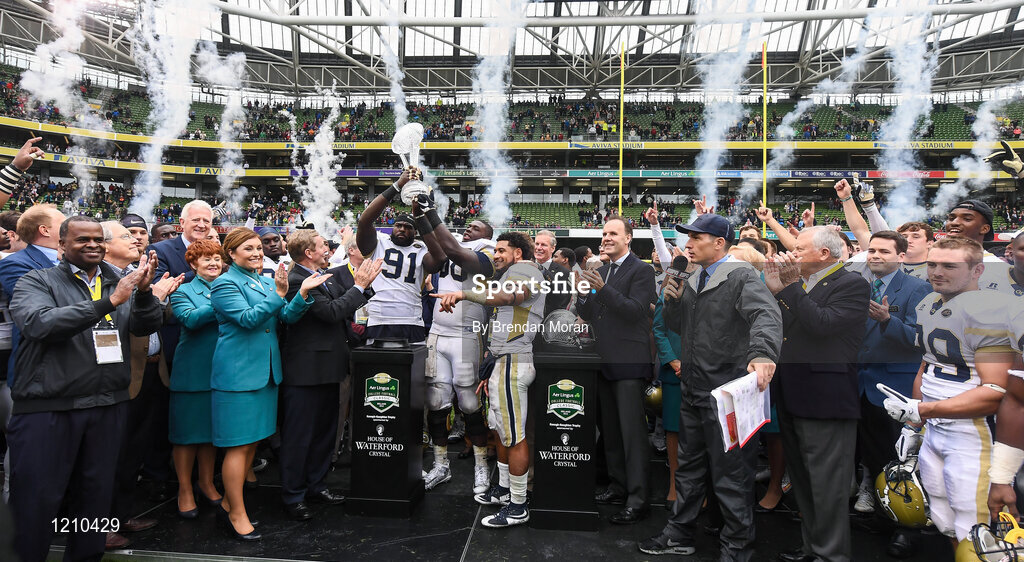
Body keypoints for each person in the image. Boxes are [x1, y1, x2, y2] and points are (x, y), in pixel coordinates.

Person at [7, 216, 163, 562]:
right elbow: (38, 324)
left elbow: (144, 326)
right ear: (62, 245)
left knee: (93, 499)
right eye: (82, 240)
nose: (92, 245)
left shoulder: (118, 281)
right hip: (50, 409)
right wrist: (108, 303)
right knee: (38, 499)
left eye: (97, 239)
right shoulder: (36, 280)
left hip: (107, 406)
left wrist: (145, 293)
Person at [640, 214, 782, 560]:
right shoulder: (692, 275)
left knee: (732, 476)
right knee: (688, 470)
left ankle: (736, 548)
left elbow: (766, 314)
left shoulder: (741, 275)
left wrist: (763, 353)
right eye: (688, 237)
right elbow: (677, 325)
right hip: (693, 387)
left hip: (726, 393)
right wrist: (671, 301)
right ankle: (680, 533)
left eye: (696, 237)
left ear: (719, 243)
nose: (688, 243)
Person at [879, 237, 1018, 547]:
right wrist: (915, 423)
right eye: (932, 264)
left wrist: (924, 411)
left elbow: (994, 390)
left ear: (977, 270)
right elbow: (925, 366)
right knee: (944, 518)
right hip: (935, 430)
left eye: (949, 266)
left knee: (977, 527)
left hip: (972, 435)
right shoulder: (929, 303)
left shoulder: (990, 311)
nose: (937, 272)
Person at [209, 227, 329, 541]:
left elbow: (285, 319)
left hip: (267, 374)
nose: (257, 253)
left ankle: (227, 503)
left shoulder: (263, 280)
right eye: (248, 249)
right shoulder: (223, 284)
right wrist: (278, 294)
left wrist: (301, 295)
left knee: (251, 445)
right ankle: (236, 512)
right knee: (238, 446)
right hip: (238, 377)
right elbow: (249, 319)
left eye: (259, 248)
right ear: (231, 254)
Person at [765, 226, 871, 562]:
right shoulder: (802, 285)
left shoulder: (852, 283)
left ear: (824, 254)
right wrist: (778, 290)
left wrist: (789, 287)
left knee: (827, 488)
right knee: (806, 485)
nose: (792, 254)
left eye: (798, 249)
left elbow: (822, 324)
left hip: (826, 400)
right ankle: (814, 548)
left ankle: (830, 555)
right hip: (794, 395)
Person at [430, 231, 545, 528]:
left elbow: (507, 297)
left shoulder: (525, 270)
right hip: (502, 360)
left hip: (514, 361)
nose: (496, 256)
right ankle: (506, 490)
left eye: (502, 250)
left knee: (514, 436)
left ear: (518, 253)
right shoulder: (513, 271)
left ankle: (518, 505)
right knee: (502, 431)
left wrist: (464, 293)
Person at [278, 229, 381, 521]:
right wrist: (359, 286)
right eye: (324, 246)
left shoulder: (322, 275)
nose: (329, 249)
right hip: (304, 373)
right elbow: (333, 312)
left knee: (324, 434)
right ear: (309, 252)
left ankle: (316, 485)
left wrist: (365, 285)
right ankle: (293, 495)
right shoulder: (297, 280)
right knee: (300, 436)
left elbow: (344, 305)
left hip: (327, 369)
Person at [102, 221, 184, 548]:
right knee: (109, 456)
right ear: (104, 245)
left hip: (152, 372)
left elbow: (154, 320)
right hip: (120, 377)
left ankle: (121, 516)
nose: (137, 238)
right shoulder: (101, 279)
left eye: (140, 234)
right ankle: (99, 526)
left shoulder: (142, 273)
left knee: (132, 454)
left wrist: (159, 297)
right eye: (127, 235)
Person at [852, 231, 930, 557]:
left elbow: (920, 339)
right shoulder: (858, 285)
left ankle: (906, 528)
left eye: (884, 251)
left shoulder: (918, 288)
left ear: (901, 255)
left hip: (894, 388)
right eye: (872, 250)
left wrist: (887, 321)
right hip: (861, 385)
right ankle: (886, 517)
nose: (875, 255)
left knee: (901, 460)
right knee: (873, 454)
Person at [576, 217, 657, 524]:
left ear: (629, 238)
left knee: (632, 436)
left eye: (613, 233)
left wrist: (603, 288)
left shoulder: (643, 269)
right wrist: (584, 293)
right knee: (610, 432)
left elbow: (635, 311)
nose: (606, 238)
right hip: (602, 361)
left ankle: (638, 500)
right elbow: (590, 312)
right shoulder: (602, 270)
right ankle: (617, 486)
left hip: (628, 361)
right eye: (604, 233)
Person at [413, 203, 496, 494]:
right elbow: (436, 245)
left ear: (487, 234)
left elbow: (453, 250)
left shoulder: (487, 251)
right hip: (438, 332)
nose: (468, 228)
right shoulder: (454, 245)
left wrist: (430, 212)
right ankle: (440, 465)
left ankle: (481, 467)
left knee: (470, 404)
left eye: (476, 227)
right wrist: (418, 215)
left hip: (466, 336)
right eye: (468, 226)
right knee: (436, 403)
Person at [167, 239, 228, 520]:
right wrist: (223, 300)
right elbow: (189, 319)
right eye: (206, 259)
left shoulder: (228, 287)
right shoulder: (184, 290)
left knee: (209, 435)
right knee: (186, 436)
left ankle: (205, 482)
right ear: (193, 264)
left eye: (217, 257)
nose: (214, 263)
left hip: (222, 371)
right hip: (192, 372)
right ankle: (184, 489)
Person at [356, 167, 445, 343]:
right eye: (399, 225)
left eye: (408, 227)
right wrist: (397, 186)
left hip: (411, 319)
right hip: (379, 318)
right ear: (392, 227)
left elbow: (440, 259)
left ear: (416, 230)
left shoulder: (420, 249)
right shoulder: (378, 243)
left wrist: (420, 216)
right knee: (377, 370)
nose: (403, 229)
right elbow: (364, 221)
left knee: (412, 368)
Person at [0, 204, 66, 388]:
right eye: (64, 223)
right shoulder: (15, 264)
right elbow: (49, 305)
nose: (71, 226)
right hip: (37, 367)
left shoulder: (75, 261)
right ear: (44, 230)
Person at [534, 229, 571, 315]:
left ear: (553, 248)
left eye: (543, 245)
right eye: (536, 244)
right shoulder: (524, 268)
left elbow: (561, 302)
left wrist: (543, 271)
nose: (539, 248)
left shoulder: (564, 272)